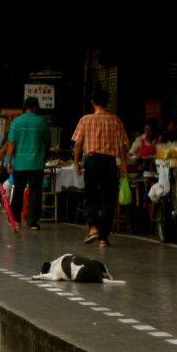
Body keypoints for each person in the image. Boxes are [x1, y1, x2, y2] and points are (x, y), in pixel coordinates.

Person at [72, 89, 129, 247]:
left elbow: (78, 143)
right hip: (110, 163)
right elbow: (122, 145)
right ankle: (103, 237)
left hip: (92, 161)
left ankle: (93, 227)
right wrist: (123, 165)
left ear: (93, 102)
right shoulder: (115, 120)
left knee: (90, 194)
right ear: (108, 103)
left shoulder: (85, 119)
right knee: (108, 199)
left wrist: (77, 162)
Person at [2, 97, 51, 230]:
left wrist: (9, 161)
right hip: (36, 163)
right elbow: (47, 142)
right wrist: (44, 155)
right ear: (35, 107)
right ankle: (33, 222)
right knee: (35, 192)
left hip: (20, 164)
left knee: (18, 190)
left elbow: (11, 143)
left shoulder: (16, 122)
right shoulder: (42, 122)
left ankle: (16, 220)